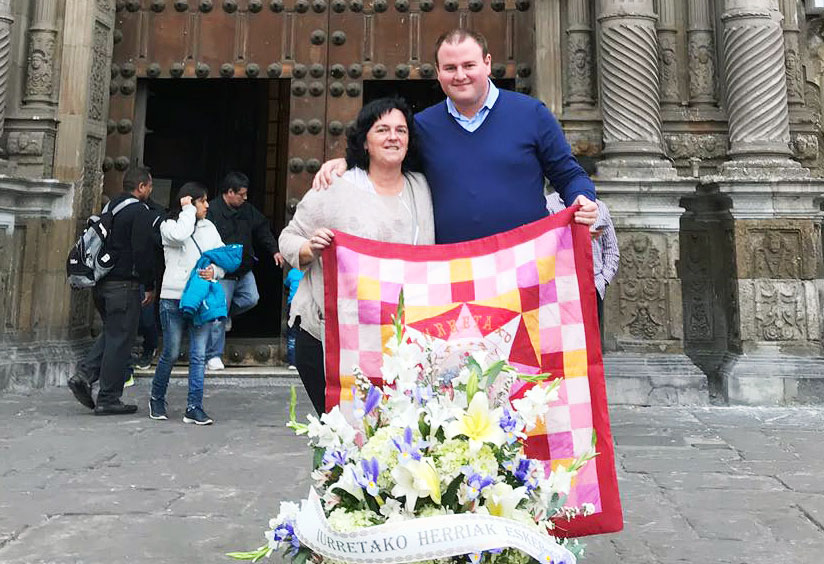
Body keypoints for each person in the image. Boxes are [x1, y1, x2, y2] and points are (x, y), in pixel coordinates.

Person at [313, 29, 599, 242]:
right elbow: (389, 169)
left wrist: (583, 199)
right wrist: (350, 164)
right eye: (450, 68)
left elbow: (569, 175)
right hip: (452, 274)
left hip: (525, 264)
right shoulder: (422, 126)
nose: (460, 75)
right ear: (438, 73)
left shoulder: (532, 114)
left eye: (469, 65)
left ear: (487, 63)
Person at [279, 97, 435, 414]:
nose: (393, 137)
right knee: (343, 439)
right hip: (329, 338)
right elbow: (289, 237)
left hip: (399, 343)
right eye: (382, 129)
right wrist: (309, 249)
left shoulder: (423, 187)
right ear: (365, 140)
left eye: (401, 130)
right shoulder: (336, 186)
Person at [68, 166, 156, 415]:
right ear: (141, 187)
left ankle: (85, 374)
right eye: (149, 186)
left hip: (102, 284)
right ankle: (108, 397)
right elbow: (142, 251)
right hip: (124, 285)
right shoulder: (139, 211)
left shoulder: (110, 207)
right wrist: (149, 285)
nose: (150, 191)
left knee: (113, 333)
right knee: (120, 341)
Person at [149, 182, 226, 425]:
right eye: (202, 201)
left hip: (199, 299)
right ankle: (157, 399)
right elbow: (181, 235)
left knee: (198, 355)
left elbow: (222, 256)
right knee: (171, 353)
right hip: (172, 298)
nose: (206, 205)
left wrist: (214, 271)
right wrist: (188, 211)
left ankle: (194, 406)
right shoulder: (168, 225)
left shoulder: (210, 228)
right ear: (189, 202)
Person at [205, 171, 284, 371]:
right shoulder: (212, 210)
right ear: (229, 192)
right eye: (241, 194)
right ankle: (213, 356)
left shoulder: (248, 211)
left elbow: (262, 229)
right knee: (217, 315)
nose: (245, 198)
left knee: (251, 298)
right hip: (222, 270)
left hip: (244, 268)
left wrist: (274, 250)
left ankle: (228, 313)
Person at [546, 191, 618, 322]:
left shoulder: (600, 207)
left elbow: (611, 249)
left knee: (592, 339)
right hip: (560, 287)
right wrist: (577, 235)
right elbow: (545, 245)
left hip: (593, 285)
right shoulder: (549, 204)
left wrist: (603, 280)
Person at [283, 266, 304, 369]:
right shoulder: (310, 272)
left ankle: (292, 362)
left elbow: (286, 284)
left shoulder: (292, 272)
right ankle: (304, 360)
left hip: (293, 305)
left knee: (292, 333)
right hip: (306, 305)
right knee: (306, 333)